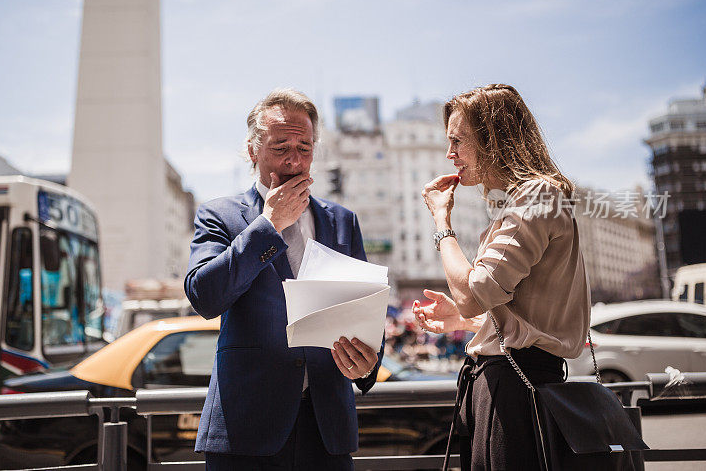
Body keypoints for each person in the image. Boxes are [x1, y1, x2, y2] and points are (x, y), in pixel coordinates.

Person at [184, 88, 383, 470]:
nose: (294, 160)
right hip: (246, 429)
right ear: (252, 150)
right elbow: (204, 297)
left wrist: (368, 363)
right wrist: (268, 226)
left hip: (327, 430)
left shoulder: (343, 221)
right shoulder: (219, 215)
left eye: (305, 148)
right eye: (280, 148)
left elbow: (367, 305)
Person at [411, 84, 590, 470]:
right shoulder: (528, 200)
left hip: (515, 388)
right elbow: (522, 310)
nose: (450, 153)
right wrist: (465, 320)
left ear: (493, 139)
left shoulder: (537, 196)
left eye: (458, 140)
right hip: (510, 383)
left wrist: (442, 223)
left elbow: (476, 292)